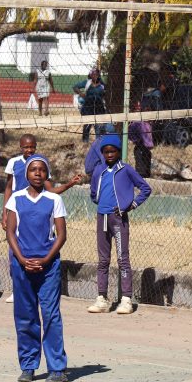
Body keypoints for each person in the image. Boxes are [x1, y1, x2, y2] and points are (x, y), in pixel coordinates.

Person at [4, 155, 68, 382]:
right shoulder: (16, 199)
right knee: (25, 315)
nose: (38, 173)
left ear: (47, 174)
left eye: (42, 169)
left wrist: (46, 259)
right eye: (33, 170)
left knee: (50, 315)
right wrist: (21, 259)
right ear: (26, 174)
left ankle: (57, 368)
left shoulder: (54, 199)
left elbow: (61, 234)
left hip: (48, 267)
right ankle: (28, 365)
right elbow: (10, 232)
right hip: (22, 266)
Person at [81, 134, 153, 315]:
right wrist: (98, 200)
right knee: (103, 260)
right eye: (106, 152)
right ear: (102, 153)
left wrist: (133, 204)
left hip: (118, 219)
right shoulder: (99, 170)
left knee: (122, 258)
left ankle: (126, 299)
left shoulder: (126, 170)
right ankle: (102, 299)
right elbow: (93, 192)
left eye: (113, 151)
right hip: (102, 218)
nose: (109, 154)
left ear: (118, 152)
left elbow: (145, 188)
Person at [74, 69, 107, 143]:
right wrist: (81, 94)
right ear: (90, 75)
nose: (95, 76)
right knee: (87, 125)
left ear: (99, 75)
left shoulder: (102, 85)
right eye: (93, 74)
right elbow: (75, 87)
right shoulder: (87, 83)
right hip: (88, 107)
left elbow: (106, 94)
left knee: (99, 125)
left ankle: (99, 142)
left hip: (99, 108)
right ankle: (85, 141)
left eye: (96, 74)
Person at [128, 103, 154, 178]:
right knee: (141, 167)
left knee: (145, 163)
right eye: (136, 109)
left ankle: (144, 175)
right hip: (140, 145)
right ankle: (142, 175)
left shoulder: (145, 124)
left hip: (143, 146)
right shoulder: (137, 123)